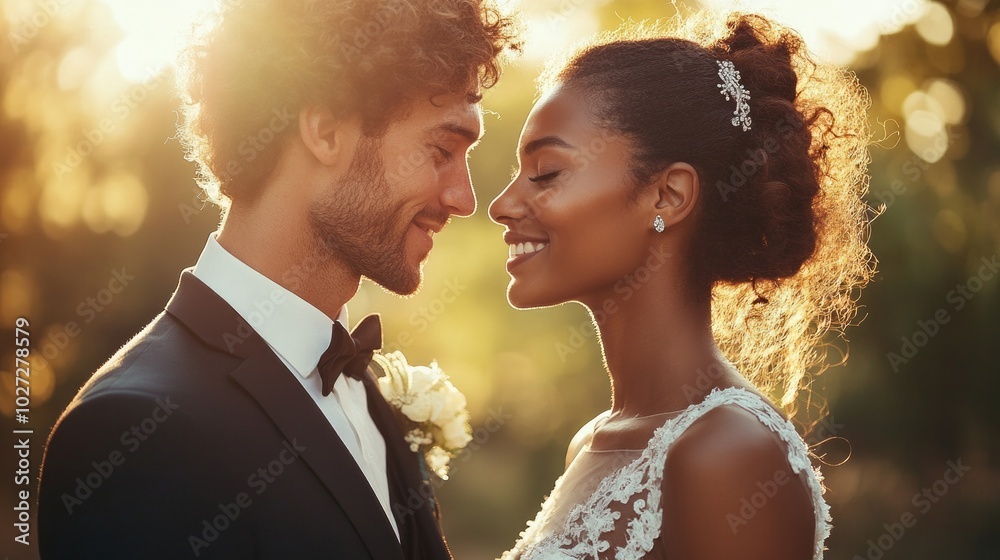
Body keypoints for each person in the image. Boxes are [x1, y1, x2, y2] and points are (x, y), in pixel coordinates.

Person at [37, 1, 519, 558]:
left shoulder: (365, 390)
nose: (463, 198)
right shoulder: (131, 429)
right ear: (326, 130)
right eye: (441, 150)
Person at [490, 12, 873, 560]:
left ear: (668, 196)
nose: (502, 204)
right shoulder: (594, 439)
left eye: (546, 172)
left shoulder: (730, 455)